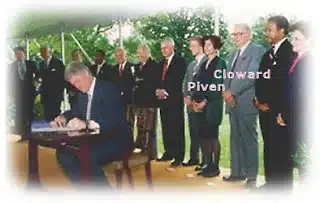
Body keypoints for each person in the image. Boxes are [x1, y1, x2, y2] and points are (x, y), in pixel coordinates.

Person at [51, 62, 133, 188]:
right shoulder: (81, 93)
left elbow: (113, 121)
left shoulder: (109, 89)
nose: (77, 86)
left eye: (78, 81)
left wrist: (86, 123)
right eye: (73, 84)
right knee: (63, 153)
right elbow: (75, 111)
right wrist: (64, 116)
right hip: (94, 139)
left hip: (116, 139)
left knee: (87, 155)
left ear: (86, 73)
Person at [255, 15, 296, 191]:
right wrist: (258, 101)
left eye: (270, 29)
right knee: (269, 147)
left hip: (279, 112)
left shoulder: (290, 52)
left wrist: (271, 106)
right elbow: (261, 79)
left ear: (282, 31)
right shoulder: (267, 53)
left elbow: (287, 85)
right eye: (266, 29)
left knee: (281, 151)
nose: (266, 33)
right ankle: (270, 183)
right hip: (263, 111)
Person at [222, 24, 265, 189]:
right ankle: (237, 172)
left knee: (249, 140)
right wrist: (226, 92)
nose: (235, 37)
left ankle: (252, 177)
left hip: (246, 102)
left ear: (248, 34)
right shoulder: (233, 54)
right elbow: (228, 76)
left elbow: (252, 74)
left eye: (238, 34)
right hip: (232, 103)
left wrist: (232, 92)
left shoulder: (257, 50)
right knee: (235, 139)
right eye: (233, 35)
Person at [277, 21, 310, 183]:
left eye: (297, 38)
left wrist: (286, 115)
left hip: (302, 123)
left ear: (309, 40)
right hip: (292, 119)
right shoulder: (297, 60)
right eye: (292, 38)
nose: (292, 42)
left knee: (306, 165)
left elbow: (302, 97)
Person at [191, 35, 226, 177]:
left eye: (209, 45)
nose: (206, 47)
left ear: (216, 47)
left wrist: (204, 102)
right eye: (205, 45)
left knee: (212, 136)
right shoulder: (204, 62)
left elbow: (216, 85)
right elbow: (197, 82)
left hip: (212, 105)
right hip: (200, 106)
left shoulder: (220, 63)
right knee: (204, 136)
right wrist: (195, 100)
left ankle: (215, 167)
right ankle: (207, 164)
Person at [156, 37, 186, 169]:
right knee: (166, 127)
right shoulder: (160, 64)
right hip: (163, 102)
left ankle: (179, 156)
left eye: (165, 48)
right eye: (161, 48)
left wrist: (166, 91)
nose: (163, 50)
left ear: (172, 47)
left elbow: (178, 81)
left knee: (177, 129)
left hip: (175, 100)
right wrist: (157, 90)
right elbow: (156, 80)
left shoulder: (180, 62)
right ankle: (169, 152)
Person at [182, 36, 207, 167]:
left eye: (193, 45)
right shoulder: (191, 65)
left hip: (202, 105)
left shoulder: (208, 63)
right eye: (190, 45)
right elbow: (186, 82)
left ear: (201, 47)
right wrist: (186, 96)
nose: (190, 48)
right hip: (190, 105)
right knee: (193, 132)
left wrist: (200, 101)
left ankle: (205, 161)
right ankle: (194, 158)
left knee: (203, 133)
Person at [133, 44, 161, 158]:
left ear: (147, 52)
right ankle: (142, 149)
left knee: (149, 128)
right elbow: (136, 81)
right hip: (139, 101)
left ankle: (150, 153)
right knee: (140, 126)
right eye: (139, 53)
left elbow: (152, 83)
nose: (141, 55)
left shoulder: (154, 65)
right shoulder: (138, 66)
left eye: (143, 53)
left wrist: (140, 81)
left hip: (150, 102)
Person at [8, 47, 39, 141]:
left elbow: (38, 75)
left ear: (24, 54)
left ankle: (31, 134)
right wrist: (11, 94)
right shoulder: (11, 66)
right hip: (18, 93)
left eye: (20, 53)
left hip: (29, 92)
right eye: (17, 54)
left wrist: (36, 81)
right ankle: (20, 135)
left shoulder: (31, 63)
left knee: (30, 112)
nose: (19, 55)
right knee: (19, 114)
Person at [112, 48, 135, 141]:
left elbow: (135, 82)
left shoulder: (132, 67)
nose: (119, 57)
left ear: (125, 55)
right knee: (118, 123)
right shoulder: (113, 69)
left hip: (129, 100)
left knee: (129, 123)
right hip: (117, 101)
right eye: (117, 56)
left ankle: (129, 143)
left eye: (121, 55)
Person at [38, 45, 66, 121]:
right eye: (41, 52)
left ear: (49, 51)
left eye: (45, 51)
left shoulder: (58, 63)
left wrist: (60, 91)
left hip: (56, 95)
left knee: (56, 115)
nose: (43, 53)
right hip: (45, 95)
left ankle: (57, 132)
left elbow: (63, 79)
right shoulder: (41, 64)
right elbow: (40, 78)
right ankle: (48, 132)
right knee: (47, 115)